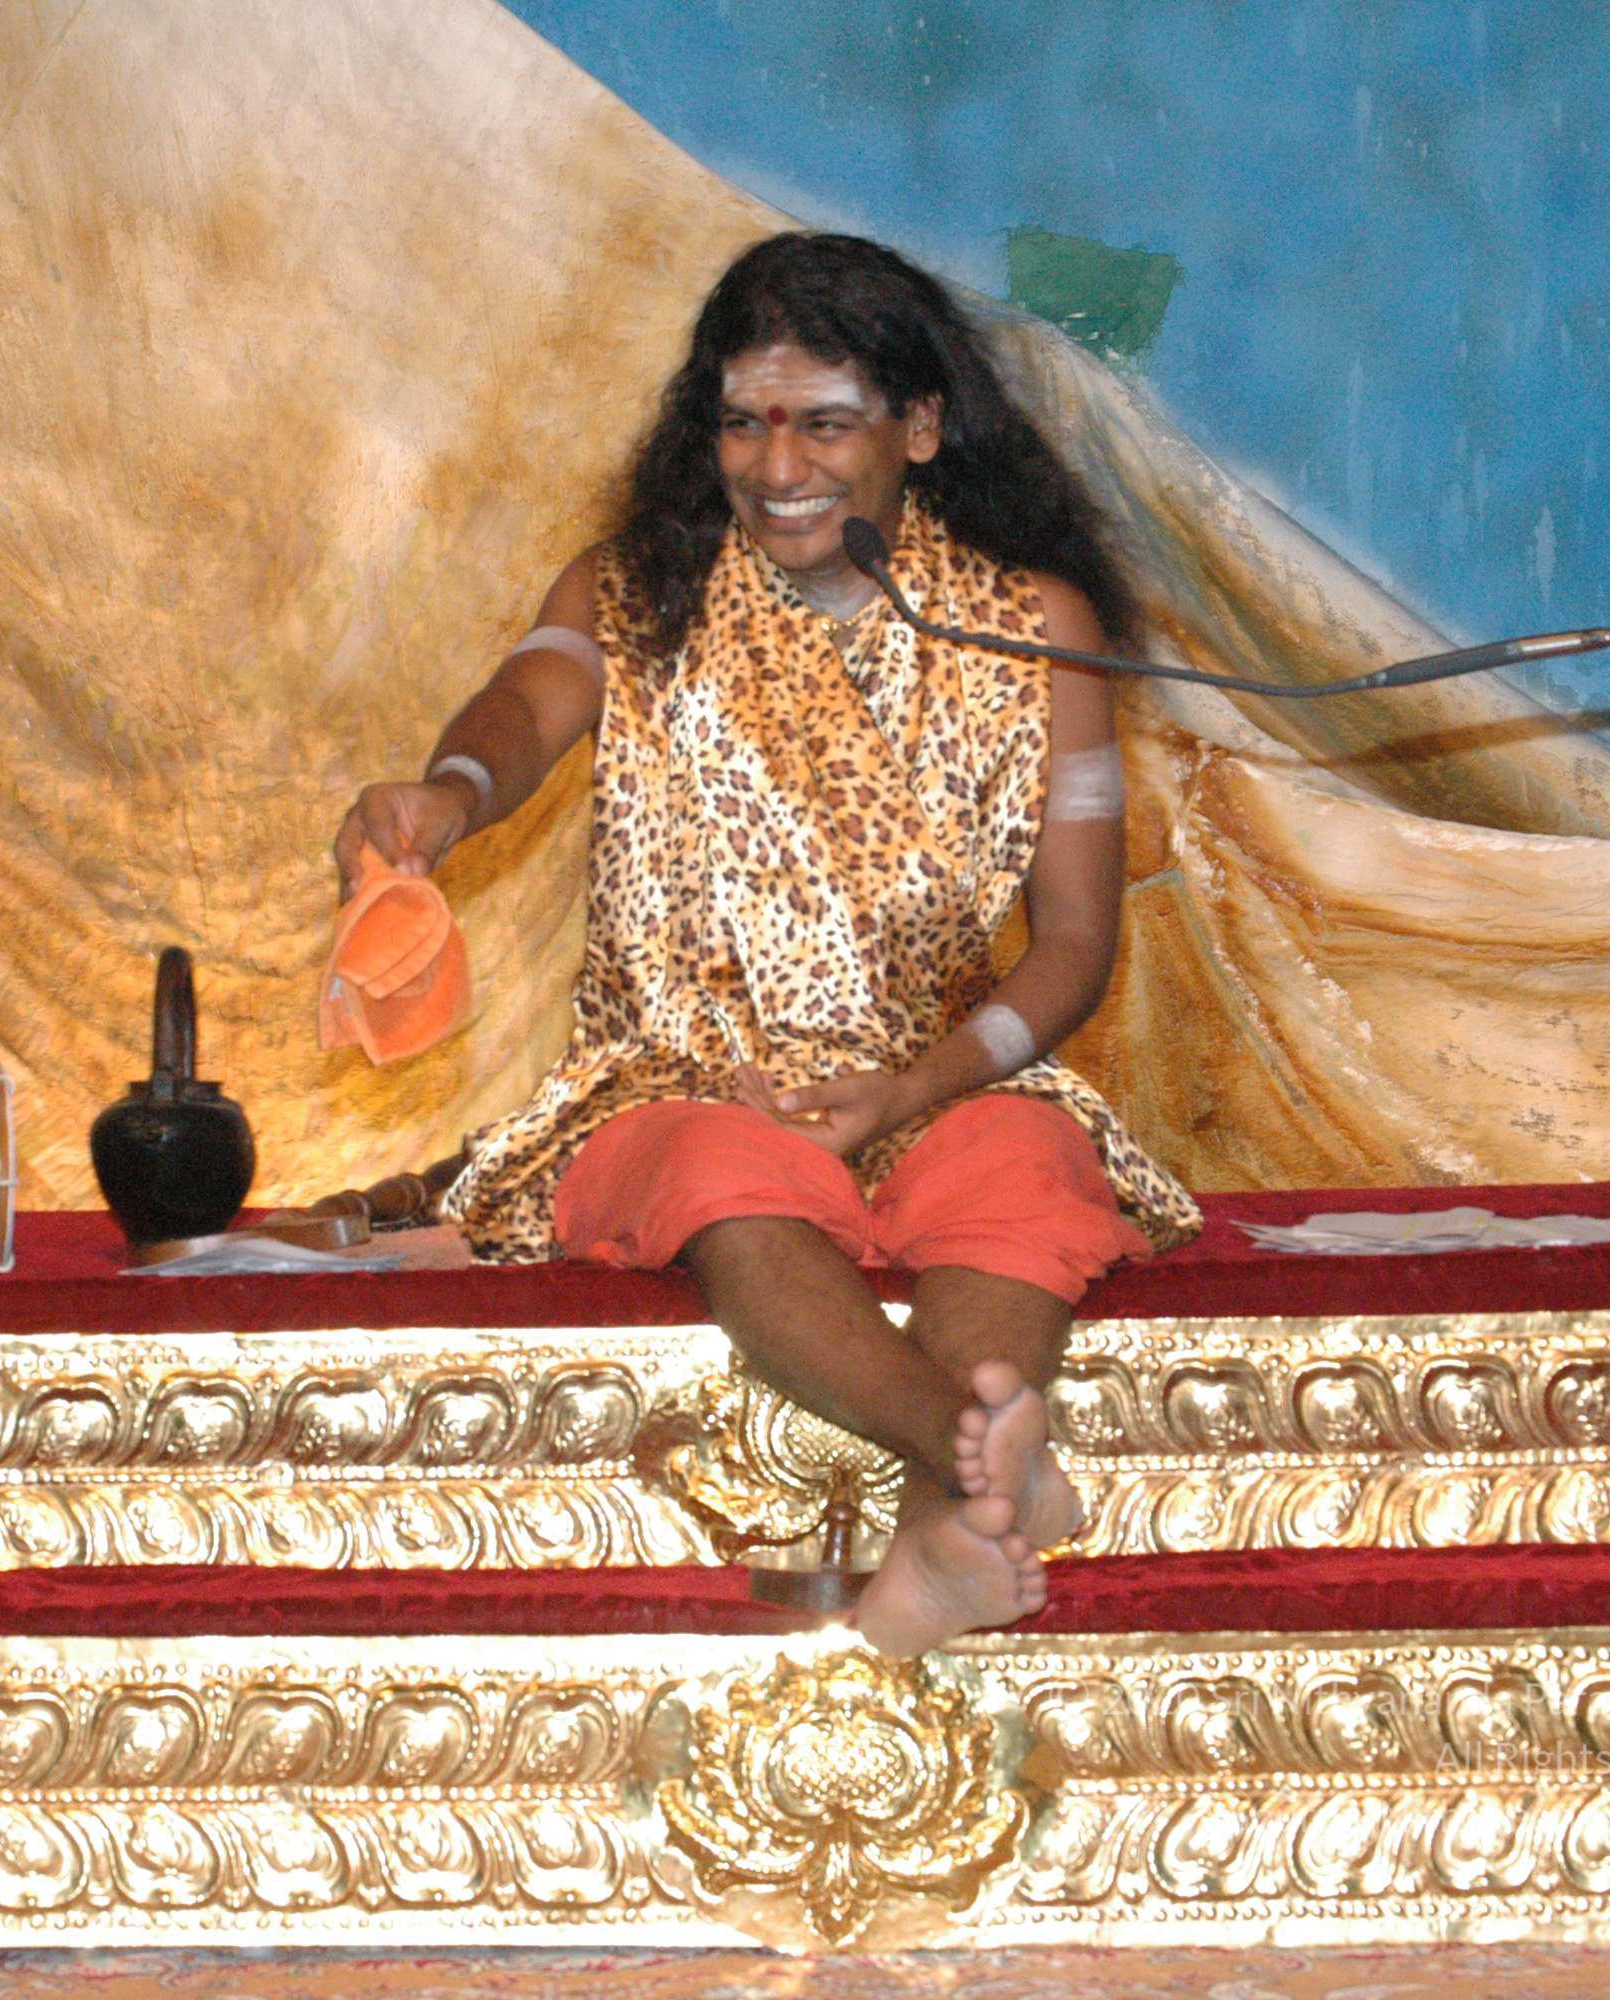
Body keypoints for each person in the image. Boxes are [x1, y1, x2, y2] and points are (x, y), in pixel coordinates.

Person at [332, 232, 1200, 1656]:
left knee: (1028, 1162)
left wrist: (918, 1087)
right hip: (677, 1084)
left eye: (824, 424)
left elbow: (1077, 945)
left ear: (921, 428)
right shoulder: (635, 593)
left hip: (935, 1080)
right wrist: (450, 793)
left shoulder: (1036, 629)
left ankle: (942, 1541)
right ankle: (979, 1468)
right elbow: (527, 707)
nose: (776, 464)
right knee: (729, 1171)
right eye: (743, 422)